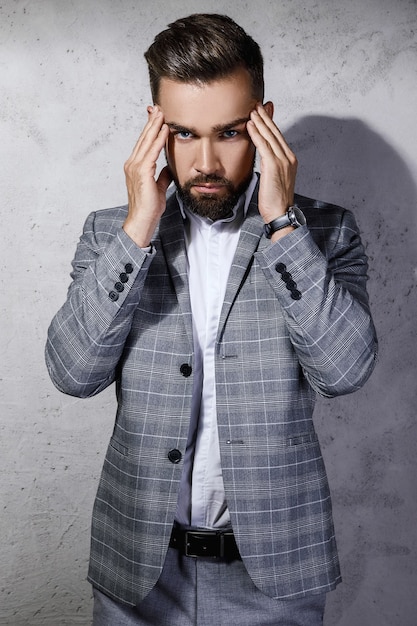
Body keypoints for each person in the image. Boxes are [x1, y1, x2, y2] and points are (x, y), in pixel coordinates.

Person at [45, 13, 378, 626]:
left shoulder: (324, 232)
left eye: (228, 132)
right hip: (139, 574)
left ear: (264, 121)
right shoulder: (108, 235)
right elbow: (72, 372)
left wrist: (281, 225)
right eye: (183, 133)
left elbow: (345, 371)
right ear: (156, 128)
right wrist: (138, 226)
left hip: (274, 577)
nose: (205, 162)